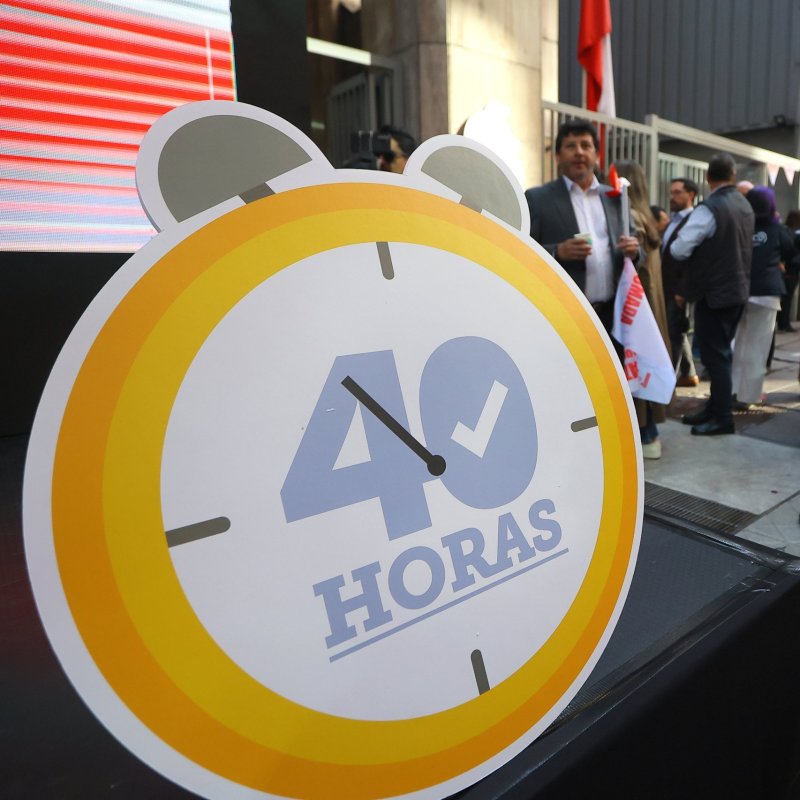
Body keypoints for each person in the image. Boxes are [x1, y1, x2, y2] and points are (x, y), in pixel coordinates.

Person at [525, 119, 640, 337]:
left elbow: (634, 247)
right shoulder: (538, 199)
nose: (579, 152)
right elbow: (522, 253)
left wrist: (634, 251)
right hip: (563, 320)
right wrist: (557, 252)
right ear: (558, 156)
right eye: (571, 146)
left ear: (597, 156)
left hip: (613, 319)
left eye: (586, 146)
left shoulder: (615, 198)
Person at [670, 153, 754, 436]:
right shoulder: (744, 204)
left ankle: (722, 417)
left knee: (716, 357)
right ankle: (715, 408)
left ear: (708, 178)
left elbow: (679, 249)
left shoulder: (710, 209)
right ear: (733, 176)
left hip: (714, 293)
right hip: (737, 289)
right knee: (720, 354)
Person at [615, 161, 672, 459]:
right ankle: (650, 433)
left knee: (636, 366)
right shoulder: (648, 216)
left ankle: (645, 435)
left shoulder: (630, 216)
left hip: (638, 304)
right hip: (650, 304)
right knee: (647, 364)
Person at [731, 187, 796, 405]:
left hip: (739, 291)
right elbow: (791, 251)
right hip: (767, 293)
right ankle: (750, 395)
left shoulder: (740, 225)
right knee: (757, 347)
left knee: (738, 344)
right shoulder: (778, 229)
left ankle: (733, 391)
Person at [661, 178, 700, 386]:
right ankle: (688, 372)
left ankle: (669, 381)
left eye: (677, 192)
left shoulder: (694, 220)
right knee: (676, 330)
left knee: (674, 332)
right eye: (671, 192)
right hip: (667, 285)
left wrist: (683, 288)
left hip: (679, 287)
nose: (672, 197)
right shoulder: (673, 220)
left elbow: (692, 259)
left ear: (691, 194)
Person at [778, 209, 800, 332]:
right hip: (792, 269)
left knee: (784, 297)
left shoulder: (784, 231)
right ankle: (784, 323)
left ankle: (782, 322)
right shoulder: (795, 234)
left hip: (785, 268)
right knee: (788, 297)